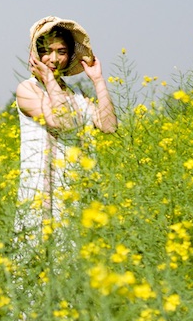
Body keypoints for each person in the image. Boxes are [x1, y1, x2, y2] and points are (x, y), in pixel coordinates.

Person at [14, 16, 117, 242]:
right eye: (47, 51)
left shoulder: (76, 97)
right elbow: (63, 122)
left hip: (78, 190)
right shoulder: (28, 90)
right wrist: (49, 80)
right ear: (36, 55)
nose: (54, 59)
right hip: (44, 193)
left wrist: (98, 80)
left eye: (61, 52)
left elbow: (109, 126)